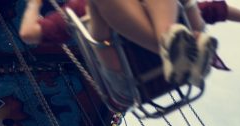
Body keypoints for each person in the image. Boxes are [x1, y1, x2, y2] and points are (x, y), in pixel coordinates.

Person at [18, 0, 218, 91]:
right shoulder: (76, 7)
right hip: (126, 73)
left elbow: (200, 20)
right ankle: (173, 51)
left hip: (138, 73)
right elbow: (27, 34)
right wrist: (34, 4)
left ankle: (172, 47)